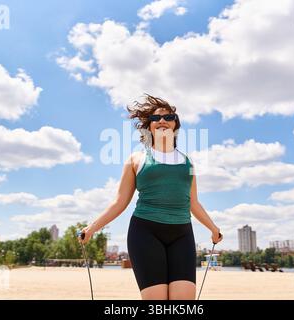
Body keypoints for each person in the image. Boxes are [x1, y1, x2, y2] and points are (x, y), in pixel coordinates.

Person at [78, 94, 223, 300]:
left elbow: (193, 202)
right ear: (149, 127)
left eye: (168, 117)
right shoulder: (136, 159)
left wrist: (213, 228)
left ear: (175, 125)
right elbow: (120, 202)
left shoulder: (188, 162)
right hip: (145, 232)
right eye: (155, 118)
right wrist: (91, 228)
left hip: (182, 234)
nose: (162, 121)